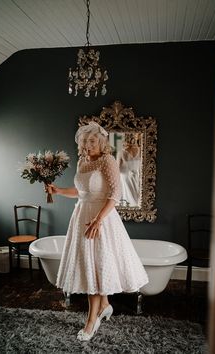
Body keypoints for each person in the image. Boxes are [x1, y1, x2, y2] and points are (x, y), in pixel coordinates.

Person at [47, 121, 149, 341]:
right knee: (92, 265)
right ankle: (104, 305)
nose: (87, 145)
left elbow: (115, 193)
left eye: (92, 141)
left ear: (101, 142)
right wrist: (58, 191)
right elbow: (80, 191)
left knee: (97, 266)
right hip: (82, 216)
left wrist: (98, 220)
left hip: (101, 218)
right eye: (84, 141)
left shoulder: (107, 160)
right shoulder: (83, 161)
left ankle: (91, 322)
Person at [116, 137, 141, 206]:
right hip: (138, 176)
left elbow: (117, 170)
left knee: (128, 198)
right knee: (137, 196)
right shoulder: (141, 151)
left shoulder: (121, 152)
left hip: (126, 178)